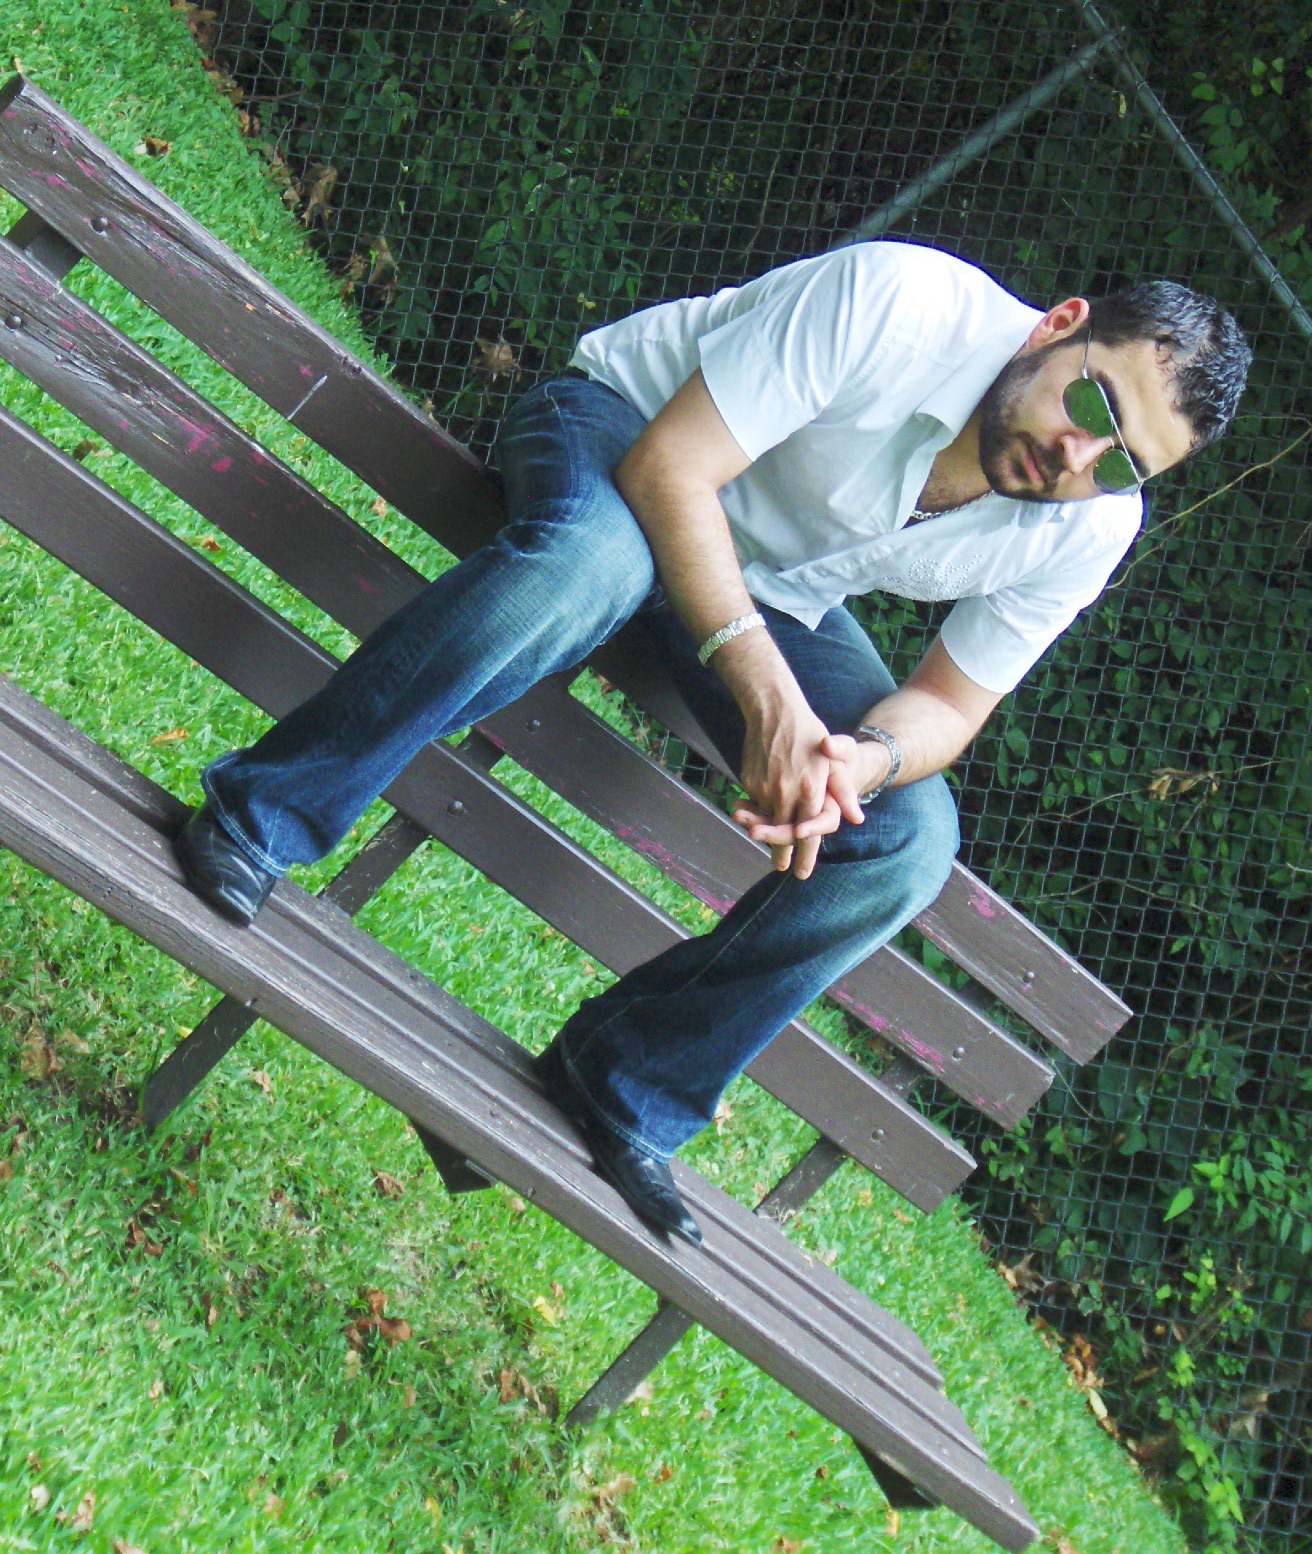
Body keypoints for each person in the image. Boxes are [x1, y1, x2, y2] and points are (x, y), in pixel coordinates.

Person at [175, 240, 1251, 1247]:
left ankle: (619, 1084)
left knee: (909, 838)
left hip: (772, 587)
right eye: (1094, 404)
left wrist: (862, 759)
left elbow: (950, 706)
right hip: (624, 437)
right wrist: (769, 698)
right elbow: (669, 469)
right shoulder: (900, 302)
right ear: (1058, 325)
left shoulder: (1089, 523)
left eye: (1123, 463)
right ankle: (259, 817)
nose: (1078, 456)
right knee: (589, 569)